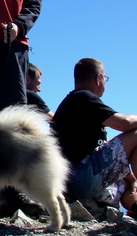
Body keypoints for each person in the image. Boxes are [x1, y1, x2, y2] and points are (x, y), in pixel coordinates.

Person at [52, 58, 137, 217]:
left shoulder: (74, 103)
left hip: (71, 180)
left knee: (127, 182)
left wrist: (131, 179)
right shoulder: (83, 97)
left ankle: (135, 207)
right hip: (77, 178)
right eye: (105, 78)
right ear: (98, 79)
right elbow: (125, 123)